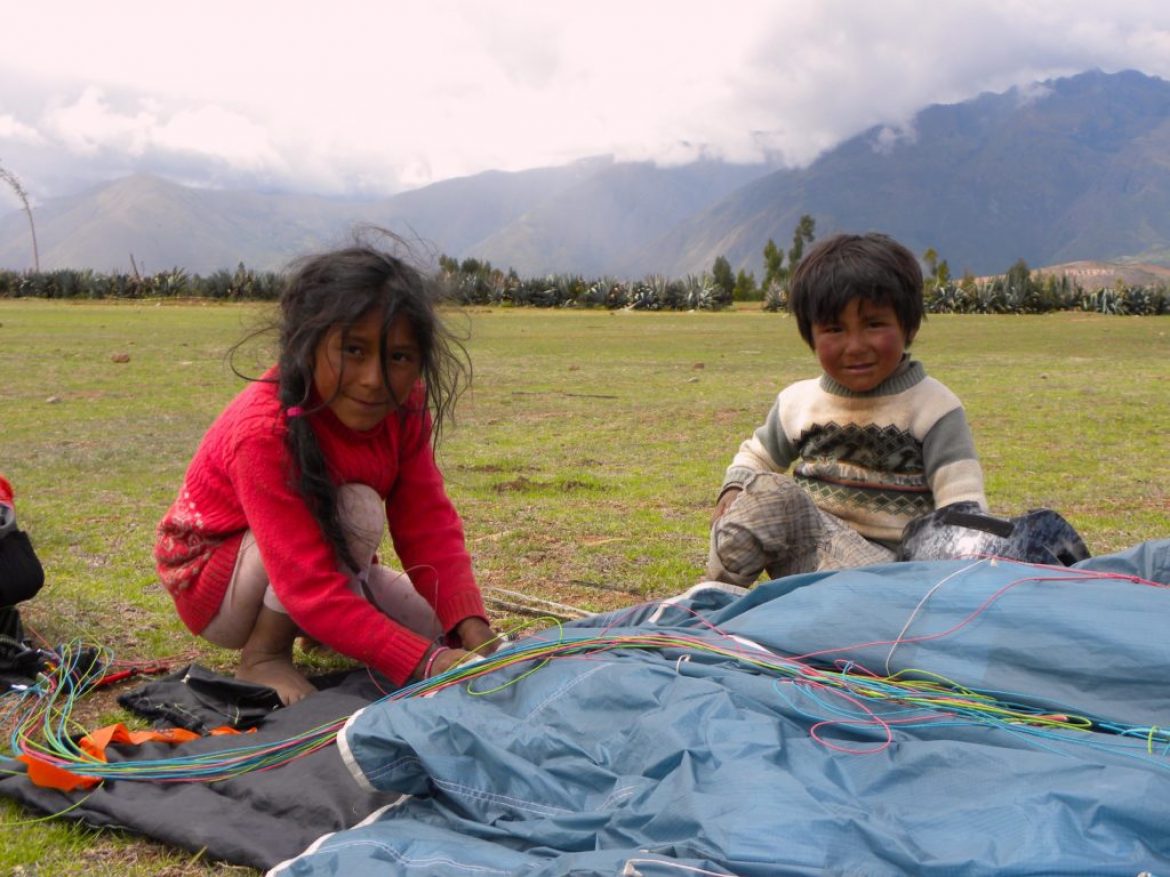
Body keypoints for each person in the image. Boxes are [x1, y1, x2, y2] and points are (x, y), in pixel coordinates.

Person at [154, 242, 495, 705]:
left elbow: (428, 523)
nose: (374, 379)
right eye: (353, 350)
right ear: (307, 346)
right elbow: (307, 584)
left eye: (397, 357)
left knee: (440, 632)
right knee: (355, 508)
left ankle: (320, 627)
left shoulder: (406, 407)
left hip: (319, 560)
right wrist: (429, 666)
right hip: (217, 580)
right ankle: (265, 653)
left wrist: (474, 631)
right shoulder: (265, 430)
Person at [707, 232, 987, 586]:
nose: (854, 346)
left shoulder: (934, 408)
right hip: (809, 560)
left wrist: (949, 583)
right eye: (834, 329)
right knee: (766, 491)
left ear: (909, 326)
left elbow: (960, 506)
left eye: (873, 324)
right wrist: (734, 490)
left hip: (892, 573)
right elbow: (756, 457)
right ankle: (715, 598)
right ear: (810, 335)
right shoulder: (798, 402)